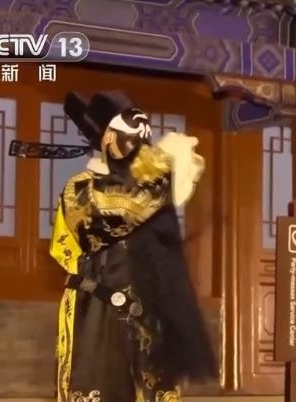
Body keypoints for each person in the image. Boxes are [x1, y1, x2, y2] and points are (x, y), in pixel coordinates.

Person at [48, 90, 216, 402]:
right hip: (97, 309)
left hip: (147, 309)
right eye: (131, 138)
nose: (140, 147)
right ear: (108, 138)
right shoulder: (80, 189)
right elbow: (121, 212)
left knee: (153, 390)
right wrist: (164, 174)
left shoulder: (145, 187)